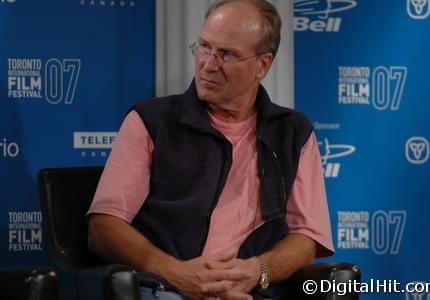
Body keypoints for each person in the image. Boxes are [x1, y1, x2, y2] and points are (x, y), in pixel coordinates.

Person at [87, 0, 334, 299]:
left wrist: (258, 270)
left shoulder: (293, 132)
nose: (208, 63)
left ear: (263, 64)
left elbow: (308, 236)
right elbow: (104, 226)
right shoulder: (151, 121)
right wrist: (174, 272)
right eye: (204, 47)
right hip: (168, 289)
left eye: (226, 54)